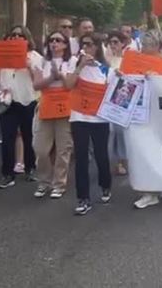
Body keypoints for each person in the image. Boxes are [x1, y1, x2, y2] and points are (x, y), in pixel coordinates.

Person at [64, 33, 112, 215]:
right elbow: (68, 85)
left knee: (101, 155)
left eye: (89, 44)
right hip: (79, 117)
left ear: (97, 47)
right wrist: (80, 66)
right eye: (83, 44)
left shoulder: (105, 68)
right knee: (81, 158)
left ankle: (105, 185)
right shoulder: (74, 62)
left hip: (99, 119)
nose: (85, 47)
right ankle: (83, 198)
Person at [132, 30, 162, 209]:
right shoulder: (135, 61)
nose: (143, 48)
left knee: (160, 151)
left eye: (147, 45)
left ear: (158, 47)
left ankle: (160, 185)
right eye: (143, 44)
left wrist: (159, 81)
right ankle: (149, 192)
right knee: (144, 152)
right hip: (140, 114)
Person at [0, 26, 42, 189]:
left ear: (26, 38)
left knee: (29, 137)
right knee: (7, 138)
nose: (15, 38)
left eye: (19, 35)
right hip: (8, 102)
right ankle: (8, 174)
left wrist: (29, 66)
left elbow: (39, 82)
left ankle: (30, 168)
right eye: (12, 35)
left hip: (28, 101)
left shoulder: (34, 57)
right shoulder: (3, 57)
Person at [31, 31, 76, 199]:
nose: (54, 43)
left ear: (65, 44)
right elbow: (36, 85)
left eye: (58, 40)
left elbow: (71, 85)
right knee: (41, 149)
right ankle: (43, 181)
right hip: (46, 108)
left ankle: (59, 183)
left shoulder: (72, 61)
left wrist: (61, 75)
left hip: (65, 109)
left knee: (63, 149)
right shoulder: (41, 61)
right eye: (51, 40)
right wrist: (51, 77)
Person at [105, 30, 129, 175]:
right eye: (111, 42)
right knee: (110, 131)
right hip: (106, 99)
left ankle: (122, 161)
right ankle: (113, 161)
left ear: (122, 44)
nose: (113, 45)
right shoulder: (105, 60)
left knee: (120, 132)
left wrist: (122, 76)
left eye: (116, 42)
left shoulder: (127, 60)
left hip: (122, 100)